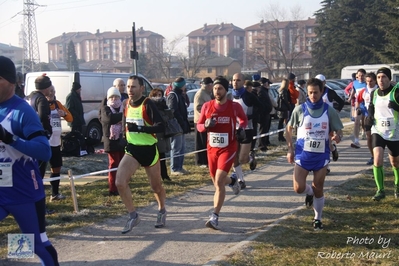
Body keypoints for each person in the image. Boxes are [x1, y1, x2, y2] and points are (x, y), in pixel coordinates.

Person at [0, 56, 59, 265]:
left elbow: (45, 152)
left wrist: (9, 138)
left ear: (10, 81)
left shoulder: (22, 111)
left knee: (35, 243)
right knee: (23, 245)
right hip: (1, 189)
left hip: (23, 191)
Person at [286, 77, 344, 230]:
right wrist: (290, 148)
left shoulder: (328, 111)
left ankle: (317, 218)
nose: (313, 96)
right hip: (303, 155)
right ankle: (309, 193)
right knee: (298, 188)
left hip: (321, 155)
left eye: (316, 92)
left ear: (321, 92)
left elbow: (339, 129)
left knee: (319, 187)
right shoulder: (300, 109)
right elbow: (289, 128)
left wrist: (337, 136)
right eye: (310, 93)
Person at [116, 75, 167, 234]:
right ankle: (133, 215)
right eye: (128, 87)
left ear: (141, 88)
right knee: (120, 182)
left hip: (149, 150)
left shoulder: (148, 104)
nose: (130, 90)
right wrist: (124, 137)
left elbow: (161, 126)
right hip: (132, 150)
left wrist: (141, 129)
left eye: (133, 87)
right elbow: (125, 122)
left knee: (155, 186)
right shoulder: (126, 103)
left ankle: (162, 209)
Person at [196, 76, 248, 230]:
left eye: (220, 88)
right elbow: (199, 126)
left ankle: (214, 217)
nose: (217, 91)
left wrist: (241, 129)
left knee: (219, 180)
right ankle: (232, 181)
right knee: (217, 181)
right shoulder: (207, 106)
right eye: (215, 89)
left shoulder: (234, 106)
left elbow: (243, 120)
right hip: (212, 150)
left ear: (226, 90)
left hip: (228, 147)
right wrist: (205, 125)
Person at [364, 67, 399, 201]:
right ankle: (380, 190)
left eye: (383, 77)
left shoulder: (396, 92)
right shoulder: (375, 93)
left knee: (395, 162)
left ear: (389, 79)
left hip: (394, 132)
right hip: (378, 130)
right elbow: (371, 108)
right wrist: (369, 120)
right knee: (377, 159)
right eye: (378, 77)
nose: (381, 80)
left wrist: (396, 107)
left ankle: (397, 185)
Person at [231, 73, 262, 188]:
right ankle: (240, 179)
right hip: (233, 130)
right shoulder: (229, 96)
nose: (235, 82)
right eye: (233, 80)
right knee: (234, 157)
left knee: (242, 158)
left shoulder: (249, 96)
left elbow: (261, 107)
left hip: (247, 129)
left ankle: (250, 159)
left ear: (243, 82)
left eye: (238, 80)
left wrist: (249, 117)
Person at [46, 85, 73, 201]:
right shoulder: (41, 104)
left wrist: (64, 114)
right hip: (45, 143)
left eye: (54, 91)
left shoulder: (57, 104)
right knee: (40, 170)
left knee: (56, 168)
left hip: (56, 143)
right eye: (50, 91)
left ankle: (55, 194)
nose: (52, 93)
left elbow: (71, 119)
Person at [99, 87, 126, 196]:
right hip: (111, 141)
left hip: (122, 139)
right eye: (112, 97)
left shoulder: (123, 107)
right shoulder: (105, 108)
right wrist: (122, 117)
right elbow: (109, 119)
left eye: (116, 96)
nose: (114, 99)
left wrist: (120, 118)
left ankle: (122, 185)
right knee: (114, 165)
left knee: (123, 164)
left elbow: (126, 118)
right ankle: (113, 188)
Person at [316, 74, 345, 166]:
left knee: (326, 142)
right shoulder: (314, 92)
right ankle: (333, 149)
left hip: (328, 120)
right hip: (317, 120)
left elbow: (341, 101)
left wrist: (336, 111)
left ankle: (326, 166)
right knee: (322, 143)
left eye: (321, 82)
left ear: (324, 82)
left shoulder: (330, 92)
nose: (320, 84)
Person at [166, 77, 191, 175]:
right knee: (176, 147)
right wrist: (181, 121)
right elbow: (173, 111)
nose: (185, 86)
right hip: (176, 125)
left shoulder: (180, 95)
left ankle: (180, 167)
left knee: (182, 147)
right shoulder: (173, 95)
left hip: (182, 124)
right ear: (181, 85)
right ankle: (175, 168)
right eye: (184, 84)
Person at [149, 88, 172, 181]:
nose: (159, 97)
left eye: (160, 94)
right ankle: (157, 176)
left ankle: (164, 175)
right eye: (156, 95)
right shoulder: (151, 105)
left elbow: (170, 116)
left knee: (162, 156)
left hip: (163, 133)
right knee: (156, 157)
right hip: (155, 134)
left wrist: (167, 110)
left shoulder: (163, 105)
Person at [357, 72, 378, 165]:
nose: (369, 83)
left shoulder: (378, 90)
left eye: (371, 81)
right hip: (367, 117)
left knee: (378, 137)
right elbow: (358, 101)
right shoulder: (363, 91)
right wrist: (358, 109)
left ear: (375, 81)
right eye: (367, 81)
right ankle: (373, 156)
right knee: (369, 137)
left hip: (378, 116)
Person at [193, 77, 213, 167]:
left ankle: (205, 160)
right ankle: (200, 161)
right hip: (200, 121)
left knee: (205, 141)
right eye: (211, 85)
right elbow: (199, 107)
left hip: (206, 121)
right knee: (200, 142)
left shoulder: (207, 93)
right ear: (208, 85)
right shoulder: (200, 94)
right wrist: (207, 114)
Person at [350, 69, 367, 148]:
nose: (361, 77)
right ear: (357, 75)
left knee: (365, 122)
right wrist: (350, 98)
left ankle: (364, 132)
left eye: (362, 75)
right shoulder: (355, 83)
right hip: (358, 104)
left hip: (366, 105)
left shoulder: (367, 83)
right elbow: (353, 91)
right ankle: (356, 140)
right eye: (359, 75)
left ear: (365, 75)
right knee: (356, 122)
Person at [258, 77, 273, 150]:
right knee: (263, 129)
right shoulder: (261, 91)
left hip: (267, 113)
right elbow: (261, 103)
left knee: (266, 129)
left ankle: (265, 143)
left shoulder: (265, 91)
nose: (269, 85)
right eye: (268, 83)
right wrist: (264, 110)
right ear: (265, 83)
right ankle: (261, 145)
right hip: (263, 114)